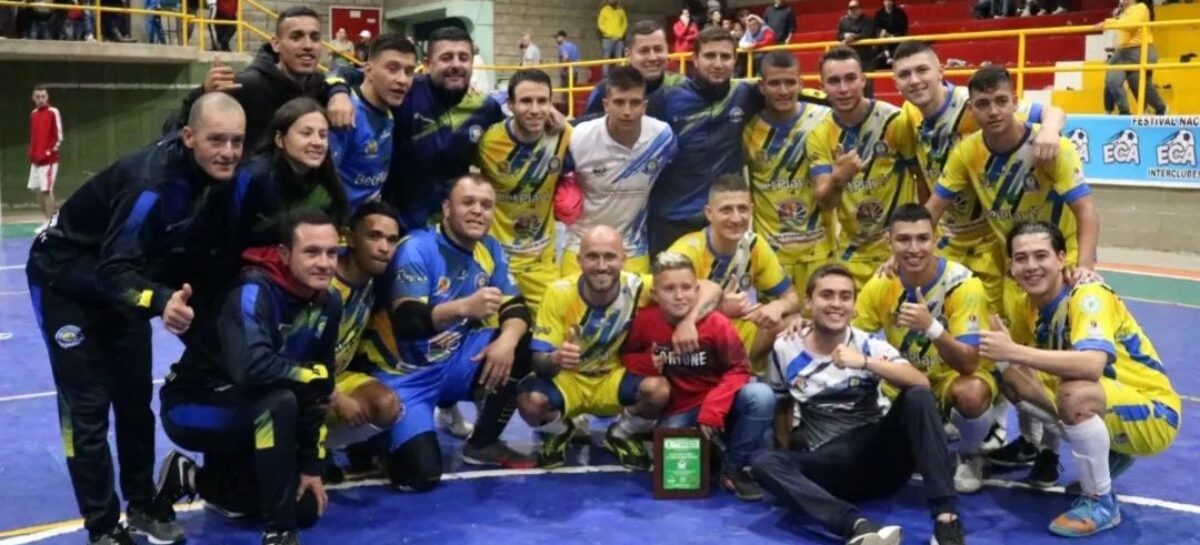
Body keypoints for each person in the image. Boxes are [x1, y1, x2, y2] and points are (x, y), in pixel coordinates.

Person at [25, 92, 246, 545]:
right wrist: (161, 299)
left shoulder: (216, 178)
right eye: (217, 140)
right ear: (189, 137)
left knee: (134, 401)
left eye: (237, 142)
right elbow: (113, 269)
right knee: (87, 410)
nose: (228, 152)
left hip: (121, 284)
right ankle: (103, 527)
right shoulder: (149, 184)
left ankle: (143, 504)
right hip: (64, 282)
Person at [980, 221, 1180, 537]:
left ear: (1062, 258)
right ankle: (1109, 454)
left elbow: (1091, 365)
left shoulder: (1087, 295)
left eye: (1041, 256)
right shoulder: (1025, 305)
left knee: (1074, 392)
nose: (1031, 266)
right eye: (1021, 258)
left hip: (1154, 412)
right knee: (1011, 377)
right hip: (1110, 403)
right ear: (1011, 266)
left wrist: (1014, 350)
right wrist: (1006, 358)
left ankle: (1101, 502)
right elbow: (1019, 366)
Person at [154, 212, 342, 545]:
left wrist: (312, 467)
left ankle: (191, 478)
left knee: (306, 507)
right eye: (312, 252)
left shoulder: (329, 302)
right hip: (193, 405)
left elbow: (318, 391)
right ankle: (279, 532)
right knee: (280, 402)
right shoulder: (253, 289)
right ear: (284, 255)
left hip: (250, 405)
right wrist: (311, 375)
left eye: (332, 253)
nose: (325, 263)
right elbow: (252, 367)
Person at [751, 263, 967, 545]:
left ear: (854, 306)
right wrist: (787, 464)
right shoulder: (785, 347)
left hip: (882, 456)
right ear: (808, 302)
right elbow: (782, 406)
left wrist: (865, 362)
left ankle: (946, 519)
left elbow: (921, 383)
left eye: (845, 296)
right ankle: (858, 526)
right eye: (826, 295)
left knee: (917, 395)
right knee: (764, 462)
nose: (836, 304)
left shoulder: (868, 345)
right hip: (832, 467)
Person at [363, 174, 537, 492]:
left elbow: (517, 307)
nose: (477, 211)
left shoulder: (490, 249)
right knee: (421, 476)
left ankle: (482, 444)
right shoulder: (416, 248)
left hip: (454, 361)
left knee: (526, 342)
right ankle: (376, 441)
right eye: (467, 202)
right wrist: (462, 308)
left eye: (486, 205)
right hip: (405, 376)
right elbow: (409, 322)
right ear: (447, 208)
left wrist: (508, 342)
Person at [516, 226, 719, 469]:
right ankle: (558, 431)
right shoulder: (558, 293)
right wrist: (556, 359)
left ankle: (622, 433)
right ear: (579, 260)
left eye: (610, 256)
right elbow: (538, 361)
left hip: (612, 378)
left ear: (624, 259)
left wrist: (688, 320)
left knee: (659, 390)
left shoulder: (636, 287)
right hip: (569, 380)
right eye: (592, 256)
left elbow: (709, 287)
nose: (602, 266)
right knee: (530, 401)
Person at [891, 40, 1067, 311]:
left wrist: (1050, 129)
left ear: (941, 71)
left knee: (993, 324)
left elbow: (1049, 111)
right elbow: (922, 177)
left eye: (922, 70)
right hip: (949, 237)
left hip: (990, 239)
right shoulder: (908, 114)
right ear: (895, 82)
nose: (914, 81)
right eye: (904, 74)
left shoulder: (976, 104)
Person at [646, 26, 830, 257]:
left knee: (726, 292)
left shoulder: (744, 94)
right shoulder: (667, 99)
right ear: (695, 59)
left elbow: (788, 92)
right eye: (710, 56)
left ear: (735, 60)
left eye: (725, 56)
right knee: (671, 291)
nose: (718, 63)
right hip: (673, 218)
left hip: (723, 219)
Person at [854, 204, 996, 494]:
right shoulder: (881, 283)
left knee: (972, 393)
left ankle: (970, 453)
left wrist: (932, 327)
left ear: (936, 238)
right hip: (904, 387)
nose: (914, 248)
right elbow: (852, 338)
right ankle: (924, 431)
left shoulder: (963, 285)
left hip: (949, 382)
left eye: (922, 238)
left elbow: (968, 364)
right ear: (889, 242)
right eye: (903, 240)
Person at [623, 251, 774, 500]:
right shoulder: (645, 321)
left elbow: (740, 370)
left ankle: (733, 469)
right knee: (674, 467)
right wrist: (646, 362)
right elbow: (626, 356)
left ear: (697, 290)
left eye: (686, 287)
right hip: (677, 410)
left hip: (719, 402)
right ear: (655, 295)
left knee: (761, 395)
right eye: (669, 289)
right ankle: (712, 447)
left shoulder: (717, 324)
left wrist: (714, 408)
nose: (679, 295)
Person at [807, 45, 922, 289]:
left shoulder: (895, 121)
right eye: (834, 81)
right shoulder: (819, 134)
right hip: (852, 256)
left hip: (900, 253)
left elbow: (922, 181)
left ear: (863, 80)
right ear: (822, 87)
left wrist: (916, 240)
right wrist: (839, 178)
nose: (844, 88)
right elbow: (824, 202)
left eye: (850, 78)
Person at [167, 7, 352, 149]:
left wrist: (339, 91)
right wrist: (202, 95)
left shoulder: (319, 85)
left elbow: (340, 77)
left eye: (315, 38)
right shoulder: (246, 85)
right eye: (296, 37)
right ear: (276, 44)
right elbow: (173, 130)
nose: (308, 45)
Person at [381, 26, 508, 230]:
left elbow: (516, 135)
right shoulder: (405, 92)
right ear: (428, 64)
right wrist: (338, 91)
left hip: (453, 227)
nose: (456, 65)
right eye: (446, 58)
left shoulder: (486, 108)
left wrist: (552, 119)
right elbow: (356, 78)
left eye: (463, 58)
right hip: (399, 223)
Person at [668, 175, 800, 368]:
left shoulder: (754, 244)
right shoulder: (685, 252)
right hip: (696, 341)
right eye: (726, 210)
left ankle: (764, 381)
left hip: (741, 337)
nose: (736, 218)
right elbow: (666, 312)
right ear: (709, 213)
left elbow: (793, 298)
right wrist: (720, 309)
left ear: (751, 211)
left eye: (743, 209)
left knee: (797, 323)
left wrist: (778, 306)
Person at [564, 65, 676, 277]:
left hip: (631, 247)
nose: (627, 111)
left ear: (644, 106)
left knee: (635, 308)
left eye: (634, 103)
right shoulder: (579, 138)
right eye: (619, 102)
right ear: (606, 104)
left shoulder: (662, 138)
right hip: (581, 244)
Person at [475, 69, 573, 311]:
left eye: (542, 101)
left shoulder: (564, 136)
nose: (535, 109)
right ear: (510, 104)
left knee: (554, 338)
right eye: (526, 101)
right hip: (494, 261)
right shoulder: (488, 141)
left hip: (540, 264)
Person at [743, 51, 835, 294]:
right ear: (761, 86)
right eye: (774, 83)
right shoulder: (747, 129)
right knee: (776, 325)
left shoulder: (824, 119)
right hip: (772, 253)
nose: (783, 90)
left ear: (801, 83)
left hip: (820, 248)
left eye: (790, 82)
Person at [324, 203, 405, 477]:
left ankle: (324, 447)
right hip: (300, 382)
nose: (384, 247)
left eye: (391, 240)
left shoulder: (375, 282)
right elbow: (287, 357)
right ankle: (307, 451)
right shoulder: (322, 283)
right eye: (374, 236)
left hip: (339, 374)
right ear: (348, 237)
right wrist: (333, 397)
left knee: (387, 405)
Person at [233, 98, 350, 249]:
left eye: (323, 135)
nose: (317, 142)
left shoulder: (327, 181)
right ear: (280, 139)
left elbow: (340, 223)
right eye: (306, 133)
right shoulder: (254, 176)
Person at [330, 33, 418, 211]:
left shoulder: (389, 110)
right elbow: (321, 184)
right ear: (368, 70)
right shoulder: (345, 113)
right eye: (392, 69)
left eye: (409, 72)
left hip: (368, 220)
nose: (402, 80)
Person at [583, 20, 687, 117]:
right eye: (644, 51)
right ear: (628, 54)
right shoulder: (606, 90)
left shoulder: (683, 86)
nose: (653, 57)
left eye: (658, 49)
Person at [1100, 0, 1167, 115]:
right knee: (1112, 81)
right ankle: (1125, 112)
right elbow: (1121, 25)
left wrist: (1108, 23)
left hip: (1140, 49)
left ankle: (1160, 109)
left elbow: (1130, 25)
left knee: (1138, 84)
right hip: (1122, 52)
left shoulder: (1141, 7)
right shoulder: (1123, 13)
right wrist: (1111, 20)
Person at [27, 85, 62, 230]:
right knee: (36, 190)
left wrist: (49, 151)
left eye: (43, 96)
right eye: (38, 97)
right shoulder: (33, 114)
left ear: (47, 97)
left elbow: (58, 136)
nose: (40, 99)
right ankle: (49, 220)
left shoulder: (53, 112)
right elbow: (34, 137)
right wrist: (32, 153)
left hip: (49, 160)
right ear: (33, 98)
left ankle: (50, 224)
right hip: (35, 160)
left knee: (47, 190)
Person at [837, 1, 875, 98]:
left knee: (867, 85)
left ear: (860, 10)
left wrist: (853, 37)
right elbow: (838, 35)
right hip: (849, 59)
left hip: (865, 58)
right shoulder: (843, 21)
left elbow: (867, 33)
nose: (853, 11)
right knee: (851, 83)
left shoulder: (867, 20)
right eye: (851, 9)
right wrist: (845, 35)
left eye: (855, 8)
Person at [873, 0, 907, 67]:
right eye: (886, 1)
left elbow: (903, 28)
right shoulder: (879, 14)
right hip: (883, 41)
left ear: (893, 2)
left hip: (897, 40)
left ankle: (890, 57)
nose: (888, 3)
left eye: (889, 1)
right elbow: (875, 28)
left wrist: (892, 35)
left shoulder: (900, 13)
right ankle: (887, 56)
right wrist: (881, 32)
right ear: (883, 2)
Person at [597, 0, 627, 72]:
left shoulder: (621, 11)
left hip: (619, 38)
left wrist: (621, 33)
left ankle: (619, 76)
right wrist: (608, 33)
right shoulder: (604, 10)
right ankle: (605, 77)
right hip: (607, 38)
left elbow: (624, 24)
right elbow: (600, 24)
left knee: (619, 58)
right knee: (606, 58)